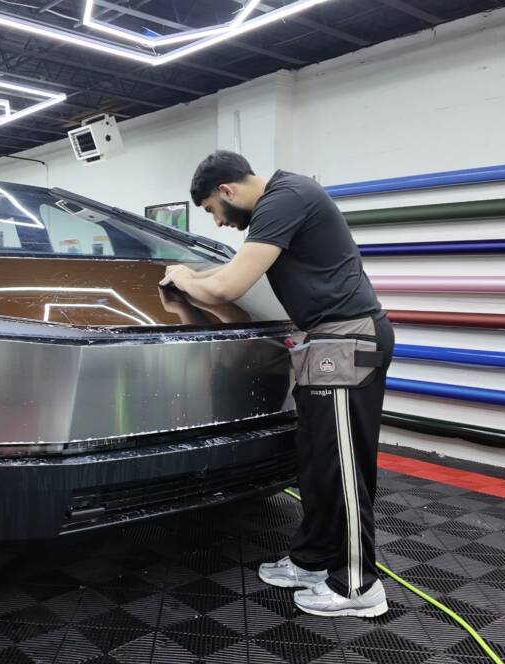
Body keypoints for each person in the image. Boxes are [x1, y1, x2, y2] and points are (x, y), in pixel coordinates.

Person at [161, 151, 395, 618]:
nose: (219, 222)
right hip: (323, 344)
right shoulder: (281, 205)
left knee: (343, 468)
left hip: (347, 340)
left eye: (212, 210)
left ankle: (357, 586)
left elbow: (227, 287)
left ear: (226, 191)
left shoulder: (285, 197)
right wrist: (187, 287)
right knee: (317, 461)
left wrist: (186, 277)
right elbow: (222, 283)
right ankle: (313, 560)